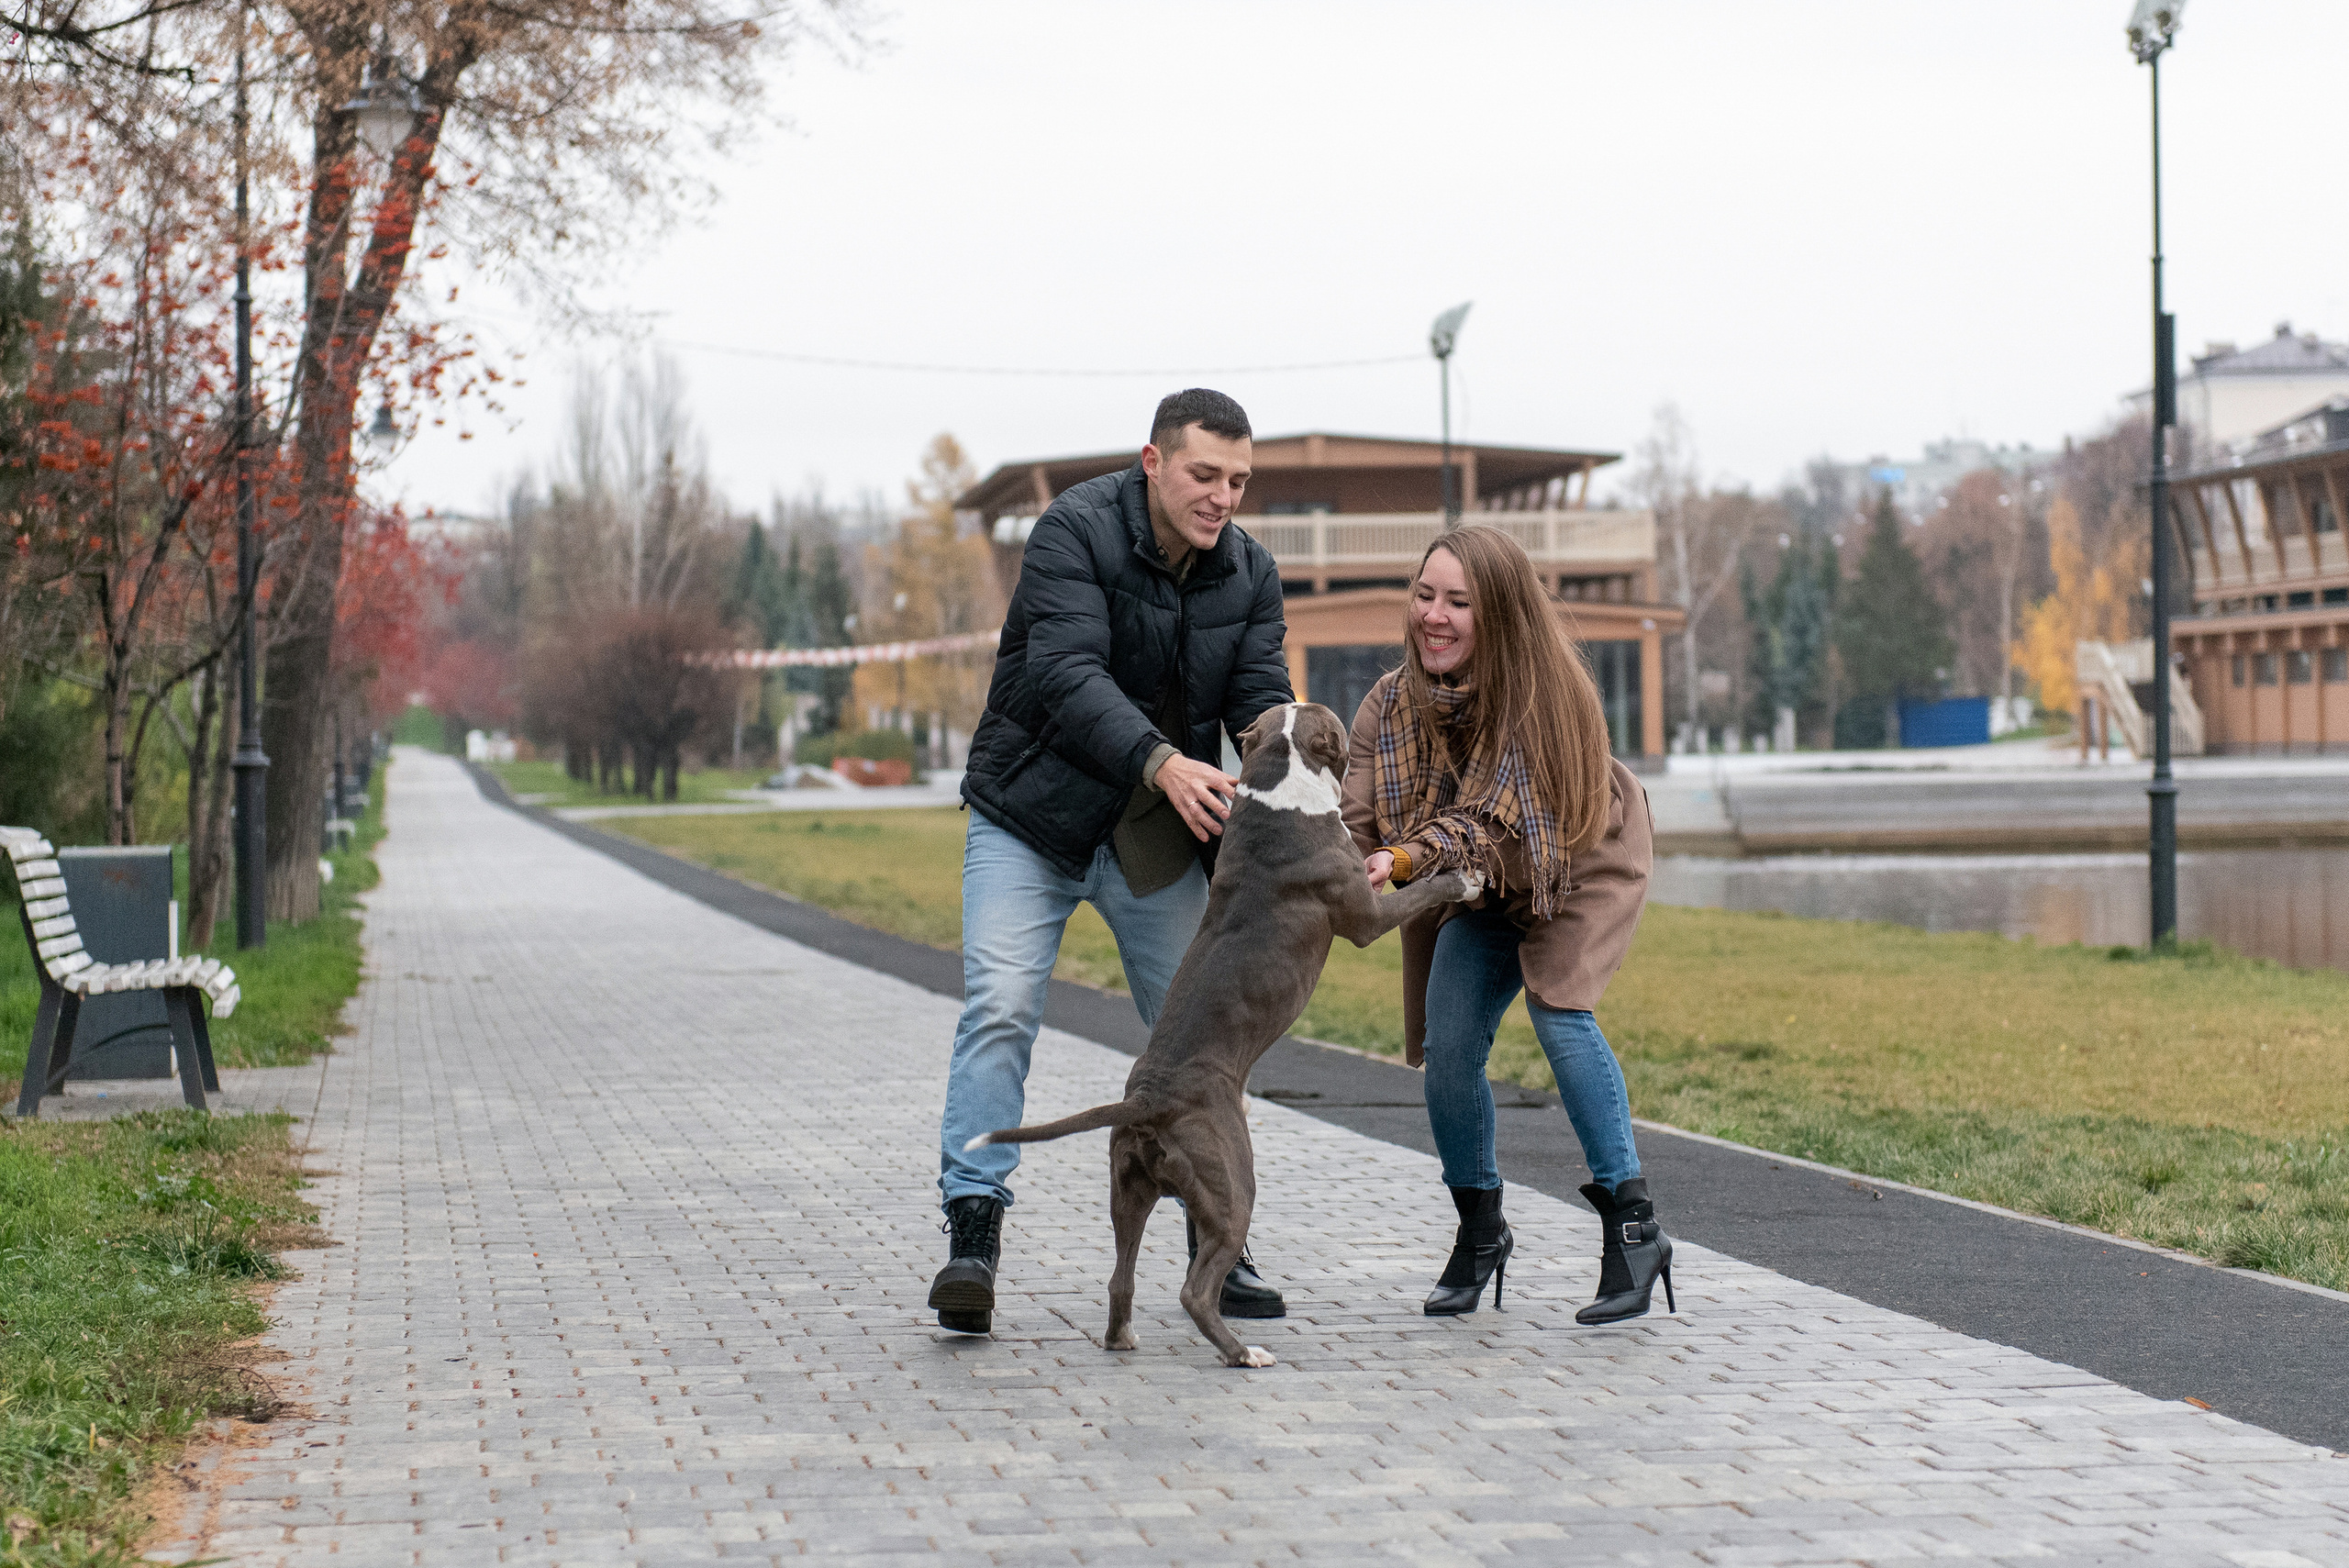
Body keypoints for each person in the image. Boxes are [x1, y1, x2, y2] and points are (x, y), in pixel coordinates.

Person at [930, 387, 1295, 1335]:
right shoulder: (1072, 531)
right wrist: (1163, 758)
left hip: (1149, 830)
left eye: (1240, 480)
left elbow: (1258, 703)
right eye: (1205, 474)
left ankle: (1218, 1236)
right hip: (1029, 816)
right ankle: (973, 1230)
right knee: (1002, 1004)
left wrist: (1293, 782)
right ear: (1153, 462)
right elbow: (1063, 671)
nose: (1223, 496)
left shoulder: (1250, 574)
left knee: (1201, 1037)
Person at [1340, 524, 1672, 1323]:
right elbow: (1356, 819)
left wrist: (1406, 860)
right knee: (1447, 1046)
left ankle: (1634, 1230)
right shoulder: (1390, 704)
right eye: (1425, 595)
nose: (1436, 616)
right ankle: (1481, 1229)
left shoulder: (1542, 694)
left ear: (1500, 614)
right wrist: (1334, 870)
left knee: (1561, 1011)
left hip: (1578, 861)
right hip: (1481, 888)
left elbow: (1486, 823)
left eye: (1459, 601)